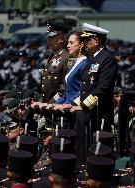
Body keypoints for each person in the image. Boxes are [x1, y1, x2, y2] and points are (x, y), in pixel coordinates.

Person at [71, 23, 118, 165]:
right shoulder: (91, 59)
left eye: (86, 40)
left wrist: (84, 106)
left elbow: (102, 88)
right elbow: (86, 87)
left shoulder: (107, 59)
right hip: (88, 114)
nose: (83, 43)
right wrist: (74, 104)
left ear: (96, 41)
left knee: (98, 153)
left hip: (99, 113)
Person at [41, 19, 71, 103]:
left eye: (51, 37)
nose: (48, 40)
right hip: (47, 106)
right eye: (48, 37)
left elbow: (65, 88)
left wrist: (50, 104)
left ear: (61, 38)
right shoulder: (53, 55)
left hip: (57, 107)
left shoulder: (67, 57)